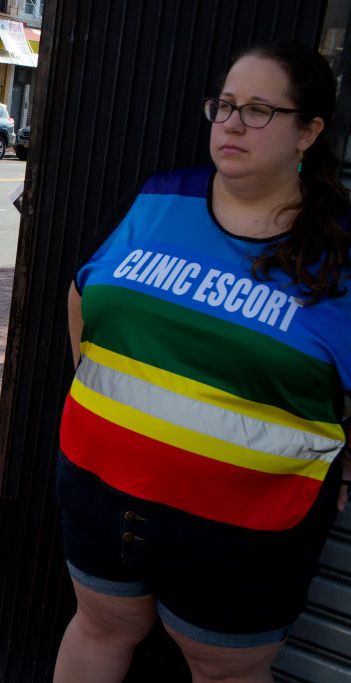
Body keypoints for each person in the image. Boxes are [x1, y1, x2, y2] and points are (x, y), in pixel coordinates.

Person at [55, 42, 351, 682]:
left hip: (245, 525)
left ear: (311, 129)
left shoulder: (341, 252)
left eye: (260, 110)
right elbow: (83, 292)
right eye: (224, 106)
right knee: (101, 627)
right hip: (101, 488)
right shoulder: (162, 198)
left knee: (224, 671)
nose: (232, 123)